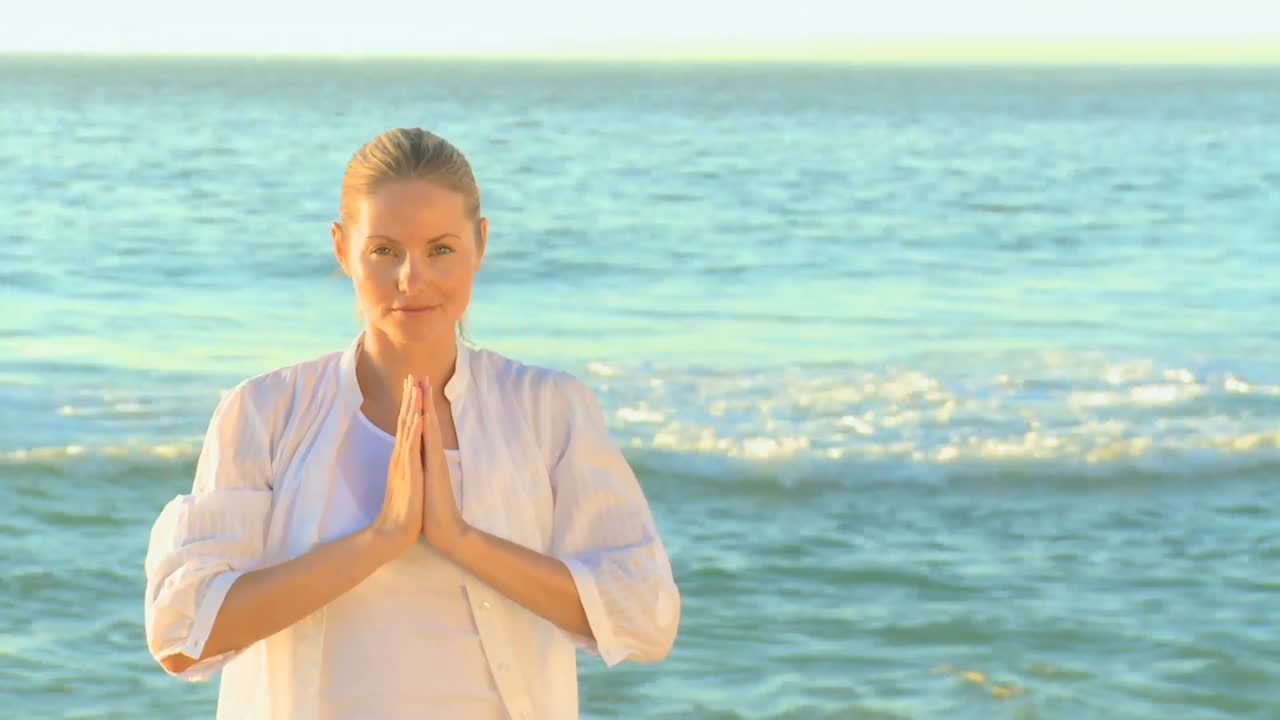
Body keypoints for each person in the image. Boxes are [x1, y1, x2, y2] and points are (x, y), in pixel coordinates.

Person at [143, 128, 681, 720]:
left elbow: (643, 615)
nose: (411, 278)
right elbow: (181, 634)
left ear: (480, 244)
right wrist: (381, 539)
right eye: (385, 250)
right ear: (342, 249)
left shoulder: (549, 410)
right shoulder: (264, 413)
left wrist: (461, 540)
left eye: (441, 249)